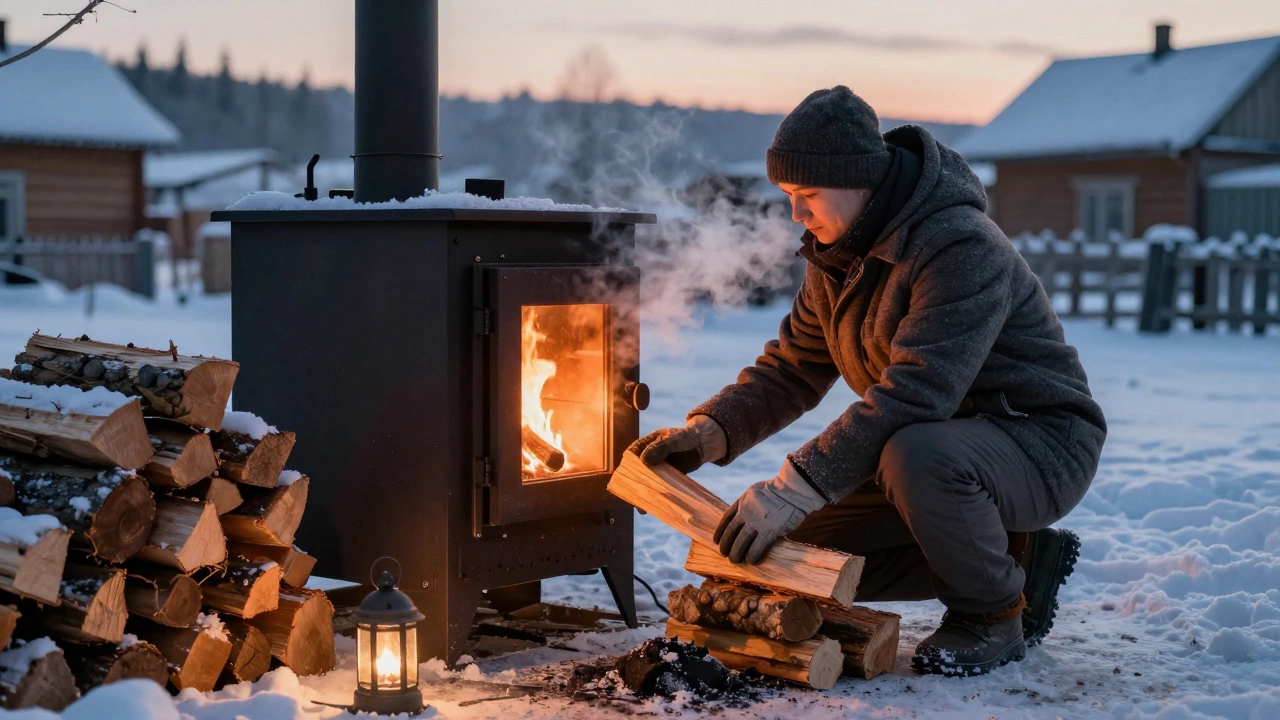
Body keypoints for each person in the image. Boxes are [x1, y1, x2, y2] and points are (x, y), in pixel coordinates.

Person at [632, 86, 1106, 676]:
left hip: (1037, 443)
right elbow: (792, 367)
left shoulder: (959, 246)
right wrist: (707, 433)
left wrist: (789, 490)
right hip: (927, 453)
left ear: (862, 183)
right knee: (783, 555)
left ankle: (992, 614)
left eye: (808, 195)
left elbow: (918, 393)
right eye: (787, 196)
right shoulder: (837, 258)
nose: (796, 214)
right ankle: (1015, 556)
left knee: (914, 453)